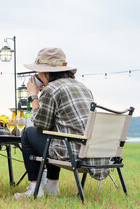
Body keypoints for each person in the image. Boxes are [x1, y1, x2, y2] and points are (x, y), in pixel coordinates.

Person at [14, 47, 97, 199]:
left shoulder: (51, 89)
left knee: (28, 133)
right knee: (53, 136)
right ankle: (51, 187)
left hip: (71, 152)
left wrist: (34, 96)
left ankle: (35, 190)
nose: (36, 75)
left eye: (38, 71)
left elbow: (40, 125)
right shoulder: (83, 87)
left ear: (47, 72)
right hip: (91, 151)